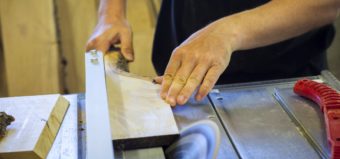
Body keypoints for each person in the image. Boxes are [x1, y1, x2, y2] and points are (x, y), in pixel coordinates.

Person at [86, 0, 340, 106]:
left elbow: (327, 4)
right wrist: (111, 14)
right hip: (182, 81)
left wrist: (227, 32)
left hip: (282, 85)